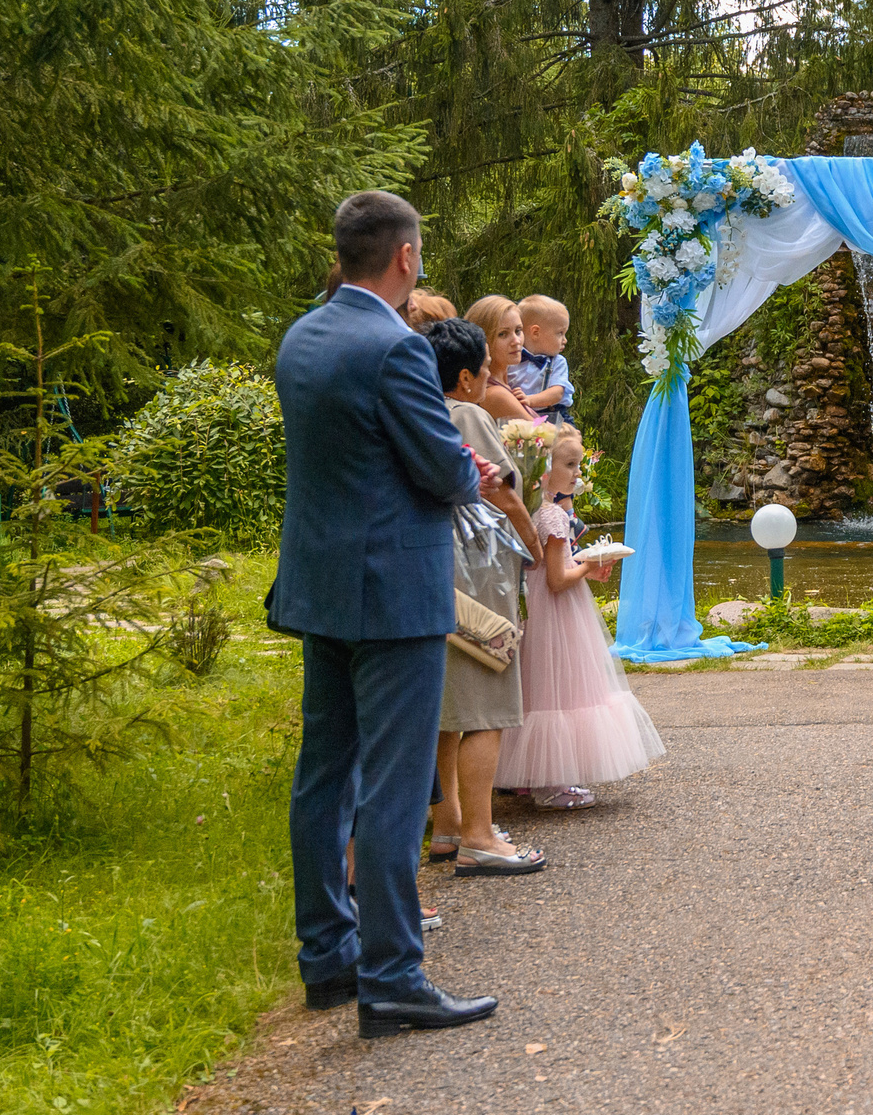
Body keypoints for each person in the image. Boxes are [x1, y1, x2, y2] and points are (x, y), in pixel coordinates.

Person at [268, 190, 497, 1038]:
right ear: (405, 256)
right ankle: (394, 976)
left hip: (319, 584)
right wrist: (471, 467)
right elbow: (442, 472)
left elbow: (353, 453)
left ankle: (328, 958)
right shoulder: (396, 348)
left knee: (324, 776)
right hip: (394, 592)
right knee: (396, 789)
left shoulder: (303, 336)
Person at [424, 317, 550, 877]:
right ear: (466, 377)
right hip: (478, 572)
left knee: (449, 707)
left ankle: (448, 825)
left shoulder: (421, 412)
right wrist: (533, 544)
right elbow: (499, 492)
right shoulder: (467, 414)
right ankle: (480, 836)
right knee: (486, 704)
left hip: (436, 568)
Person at [495, 429, 664, 806]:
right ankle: (552, 783)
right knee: (561, 689)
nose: (577, 473)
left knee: (535, 689)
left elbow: (544, 568)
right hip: (555, 613)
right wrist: (588, 566)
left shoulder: (530, 510)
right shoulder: (554, 516)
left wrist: (582, 564)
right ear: (544, 469)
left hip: (532, 606)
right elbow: (557, 581)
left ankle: (526, 774)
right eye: (570, 465)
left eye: (578, 465)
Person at [461, 294, 537, 422]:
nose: (516, 341)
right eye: (502, 334)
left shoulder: (507, 383)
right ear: (483, 340)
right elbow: (543, 433)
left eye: (518, 331)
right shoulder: (495, 394)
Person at [512, 294, 575, 424]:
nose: (565, 340)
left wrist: (530, 400)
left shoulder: (558, 362)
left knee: (566, 436)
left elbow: (557, 393)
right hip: (519, 416)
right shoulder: (512, 359)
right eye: (560, 333)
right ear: (536, 332)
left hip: (554, 415)